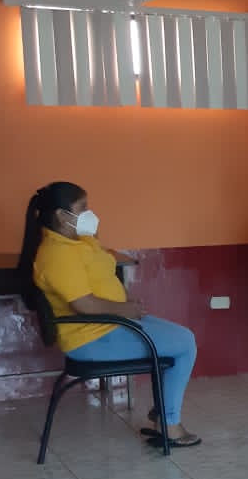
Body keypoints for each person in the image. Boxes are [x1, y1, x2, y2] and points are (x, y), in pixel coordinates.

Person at [19, 181, 201, 448]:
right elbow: (84, 304)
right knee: (184, 344)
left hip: (111, 325)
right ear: (61, 216)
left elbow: (102, 269)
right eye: (82, 208)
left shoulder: (77, 242)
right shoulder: (56, 254)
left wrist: (124, 307)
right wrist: (124, 309)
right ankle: (168, 423)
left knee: (181, 338)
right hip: (92, 338)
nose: (89, 213)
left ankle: (163, 413)